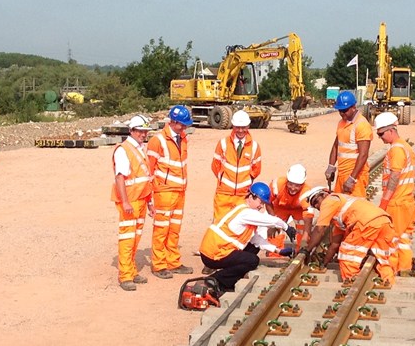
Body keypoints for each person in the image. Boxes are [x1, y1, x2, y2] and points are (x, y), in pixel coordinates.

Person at [199, 182, 296, 293]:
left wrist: (278, 250)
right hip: (213, 254)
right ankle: (217, 280)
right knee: (252, 261)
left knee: (254, 248)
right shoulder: (245, 213)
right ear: (251, 196)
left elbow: (256, 240)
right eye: (260, 202)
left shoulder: (245, 211)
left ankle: (227, 279)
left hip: (219, 250)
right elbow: (271, 220)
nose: (261, 206)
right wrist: (286, 226)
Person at [302, 186, 397, 284]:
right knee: (382, 257)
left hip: (366, 223)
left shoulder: (329, 200)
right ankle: (388, 281)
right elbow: (334, 245)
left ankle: (351, 282)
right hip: (385, 221)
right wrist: (324, 263)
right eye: (314, 205)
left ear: (325, 194)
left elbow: (319, 229)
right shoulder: (341, 215)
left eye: (317, 201)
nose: (317, 206)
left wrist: (307, 250)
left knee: (347, 254)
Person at [146, 106, 194, 279]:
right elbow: (149, 170)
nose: (184, 128)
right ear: (173, 122)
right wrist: (149, 198)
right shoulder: (157, 141)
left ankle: (173, 262)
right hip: (164, 192)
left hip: (180, 191)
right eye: (182, 125)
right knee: (161, 229)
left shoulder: (183, 138)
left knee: (174, 229)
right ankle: (159, 265)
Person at [111, 115, 155, 291]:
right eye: (140, 131)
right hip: (130, 201)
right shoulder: (124, 149)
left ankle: (131, 270)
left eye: (144, 131)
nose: (143, 134)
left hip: (141, 199)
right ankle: (125, 276)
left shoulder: (140, 148)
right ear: (132, 131)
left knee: (135, 237)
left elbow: (146, 178)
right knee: (127, 238)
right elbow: (120, 177)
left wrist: (150, 202)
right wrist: (125, 202)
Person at [375, 112, 415, 273]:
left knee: (391, 239)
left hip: (397, 203)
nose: (380, 138)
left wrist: (384, 201)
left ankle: (391, 269)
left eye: (381, 134)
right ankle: (404, 268)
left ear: (391, 130)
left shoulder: (397, 150)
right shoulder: (405, 147)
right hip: (406, 202)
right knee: (403, 239)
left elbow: (395, 176)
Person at [211, 110, 262, 222]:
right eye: (237, 127)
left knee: (239, 226)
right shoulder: (223, 143)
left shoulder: (254, 146)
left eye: (243, 127)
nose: (240, 130)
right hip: (224, 193)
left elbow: (256, 169)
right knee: (220, 224)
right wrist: (223, 179)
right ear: (233, 126)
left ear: (248, 126)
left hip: (243, 195)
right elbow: (215, 166)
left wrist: (246, 181)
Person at [325, 91, 373, 197]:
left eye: (344, 110)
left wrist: (352, 179)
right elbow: (336, 146)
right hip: (342, 174)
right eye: (340, 111)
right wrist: (331, 166)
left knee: (354, 209)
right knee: (340, 207)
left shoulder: (362, 125)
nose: (342, 113)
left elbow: (363, 154)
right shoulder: (341, 123)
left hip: (356, 176)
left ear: (353, 107)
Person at [265, 163, 314, 255]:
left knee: (303, 230)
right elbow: (268, 202)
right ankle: (274, 253)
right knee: (275, 228)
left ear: (303, 184)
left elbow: (308, 215)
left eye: (297, 185)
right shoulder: (277, 185)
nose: (293, 188)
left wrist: (306, 234)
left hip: (298, 210)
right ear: (287, 180)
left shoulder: (306, 192)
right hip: (280, 207)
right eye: (291, 184)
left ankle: (301, 252)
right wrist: (273, 220)